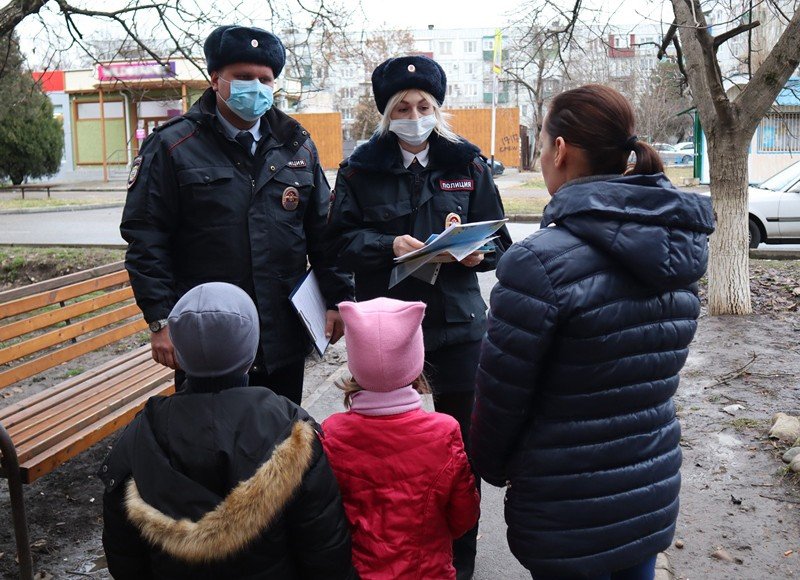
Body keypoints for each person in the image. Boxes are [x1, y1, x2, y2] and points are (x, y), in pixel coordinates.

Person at [469, 84, 715, 580]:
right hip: (648, 488)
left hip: (566, 506)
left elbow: (501, 395)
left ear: (559, 150)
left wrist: (490, 466)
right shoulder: (675, 248)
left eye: (540, 144)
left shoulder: (536, 263)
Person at [327, 55, 511, 578]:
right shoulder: (360, 167)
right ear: (386, 113)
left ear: (438, 108)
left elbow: (499, 239)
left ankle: (459, 562)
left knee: (458, 453)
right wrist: (388, 245)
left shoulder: (467, 163)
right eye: (402, 107)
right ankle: (382, 555)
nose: (414, 114)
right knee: (381, 455)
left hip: (455, 327)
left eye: (423, 105)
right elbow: (336, 243)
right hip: (384, 332)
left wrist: (479, 254)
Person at [120, 25, 352, 404]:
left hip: (282, 333)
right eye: (244, 78)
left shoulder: (296, 143)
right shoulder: (173, 146)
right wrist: (160, 320)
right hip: (207, 334)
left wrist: (338, 299)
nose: (256, 87)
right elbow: (146, 239)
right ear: (216, 80)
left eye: (265, 79)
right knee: (209, 446)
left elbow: (325, 231)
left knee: (282, 442)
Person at [99, 282, 356, 580]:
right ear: (250, 349)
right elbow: (324, 551)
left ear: (178, 355)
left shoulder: (140, 437)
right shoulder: (292, 433)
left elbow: (125, 557)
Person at [321, 297, 480, 579]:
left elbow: (326, 519)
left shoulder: (333, 433)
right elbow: (463, 517)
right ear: (415, 361)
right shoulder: (444, 431)